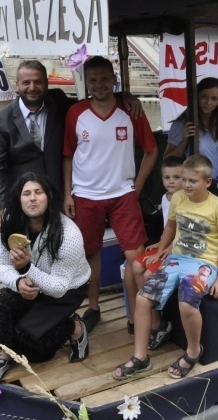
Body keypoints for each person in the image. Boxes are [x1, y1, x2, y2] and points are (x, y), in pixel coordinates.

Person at [113, 155, 218, 380]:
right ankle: (141, 357)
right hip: (177, 259)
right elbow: (170, 227)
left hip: (204, 263)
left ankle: (193, 351)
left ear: (207, 182)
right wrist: (162, 249)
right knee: (142, 299)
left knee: (187, 303)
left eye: (193, 181)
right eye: (184, 180)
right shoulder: (178, 198)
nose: (186, 185)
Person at [63, 56, 158, 333]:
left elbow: (151, 151)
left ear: (114, 79)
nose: (99, 84)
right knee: (91, 252)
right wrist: (68, 193)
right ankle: (93, 308)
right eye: (93, 79)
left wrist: (136, 187)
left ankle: (137, 316)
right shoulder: (76, 113)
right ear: (86, 83)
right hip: (85, 195)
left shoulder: (131, 111)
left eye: (104, 78)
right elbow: (67, 155)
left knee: (135, 255)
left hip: (122, 194)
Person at [0, 60, 142, 217]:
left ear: (46, 83)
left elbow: (94, 101)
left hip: (59, 199)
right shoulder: (0, 122)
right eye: (26, 82)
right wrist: (2, 207)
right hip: (25, 201)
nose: (32, 88)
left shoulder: (58, 102)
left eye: (38, 82)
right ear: (17, 84)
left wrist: (123, 96)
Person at [0, 172, 90, 382]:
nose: (32, 198)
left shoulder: (68, 235)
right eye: (26, 193)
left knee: (38, 350)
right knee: (4, 306)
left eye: (38, 192)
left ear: (49, 196)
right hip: (29, 280)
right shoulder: (9, 222)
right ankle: (6, 354)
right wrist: (18, 282)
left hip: (67, 289)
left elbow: (59, 287)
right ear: (19, 199)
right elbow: (2, 263)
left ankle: (74, 328)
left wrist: (26, 269)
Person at [126, 156, 183, 339]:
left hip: (179, 247)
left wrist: (168, 248)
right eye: (167, 177)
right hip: (166, 244)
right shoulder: (165, 198)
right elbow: (168, 226)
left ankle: (157, 323)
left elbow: (183, 230)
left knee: (149, 274)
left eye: (177, 177)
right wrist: (161, 243)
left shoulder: (185, 199)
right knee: (136, 265)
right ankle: (153, 316)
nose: (171, 181)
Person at [164, 77, 218, 179]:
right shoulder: (182, 125)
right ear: (196, 97)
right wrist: (185, 140)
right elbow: (167, 160)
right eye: (204, 97)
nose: (208, 102)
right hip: (201, 187)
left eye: (214, 98)